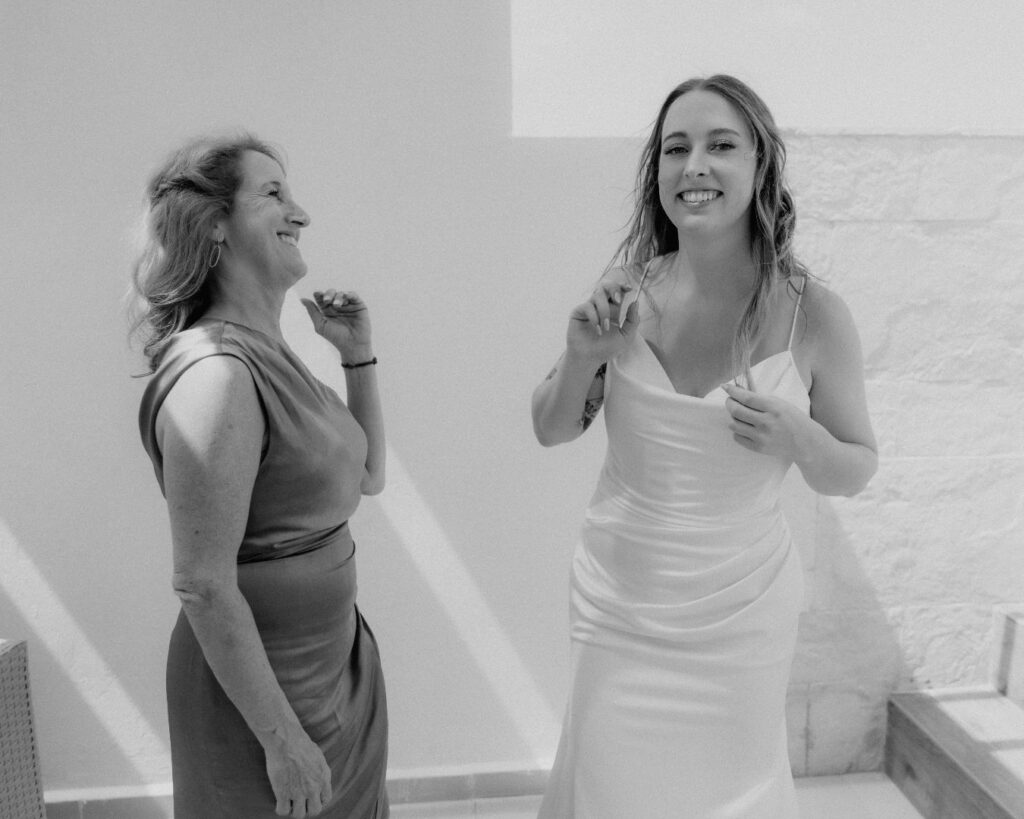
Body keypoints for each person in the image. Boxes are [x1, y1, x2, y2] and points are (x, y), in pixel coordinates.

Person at [531, 75, 877, 818]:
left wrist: (801, 437)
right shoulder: (626, 292)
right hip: (619, 601)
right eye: (675, 148)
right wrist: (579, 352)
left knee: (729, 795)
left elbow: (857, 465)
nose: (695, 166)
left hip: (741, 609)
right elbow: (553, 425)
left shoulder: (814, 315)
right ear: (656, 172)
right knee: (609, 786)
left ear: (761, 167)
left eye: (721, 145)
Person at [131, 134, 389, 818]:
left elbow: (367, 477)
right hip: (263, 704)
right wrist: (283, 741)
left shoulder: (275, 354)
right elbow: (202, 580)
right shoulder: (218, 372)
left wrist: (358, 359)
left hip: (336, 674)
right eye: (273, 193)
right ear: (214, 225)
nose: (299, 212)